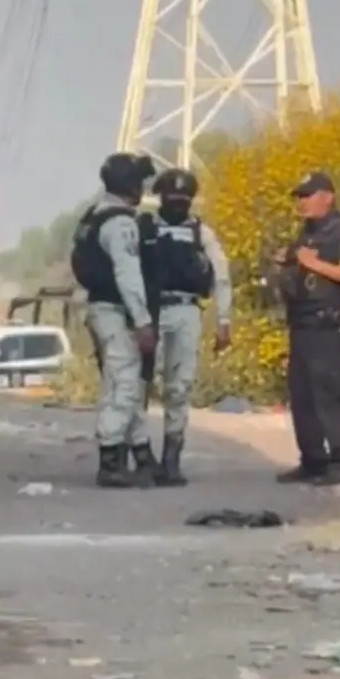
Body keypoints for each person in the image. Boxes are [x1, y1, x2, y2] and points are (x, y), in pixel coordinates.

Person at [135, 168, 233, 486]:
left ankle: (171, 459)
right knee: (141, 386)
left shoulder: (200, 232)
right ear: (160, 197)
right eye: (172, 199)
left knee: (179, 388)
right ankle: (141, 454)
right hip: (151, 312)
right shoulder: (145, 228)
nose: (178, 205)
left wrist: (224, 320)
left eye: (184, 200)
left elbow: (220, 274)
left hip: (186, 311)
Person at [69, 152, 159, 489]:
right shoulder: (121, 224)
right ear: (130, 184)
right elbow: (128, 276)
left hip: (100, 310)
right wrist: (143, 321)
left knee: (122, 382)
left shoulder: (95, 214)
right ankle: (111, 460)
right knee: (123, 385)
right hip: (116, 311)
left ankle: (140, 454)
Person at [272, 171, 340, 486]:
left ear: (328, 196)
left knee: (329, 394)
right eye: (299, 196)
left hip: (327, 325)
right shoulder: (305, 235)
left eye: (308, 195)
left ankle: (339, 463)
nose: (302, 202)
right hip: (301, 325)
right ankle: (312, 460)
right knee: (303, 395)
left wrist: (314, 264)